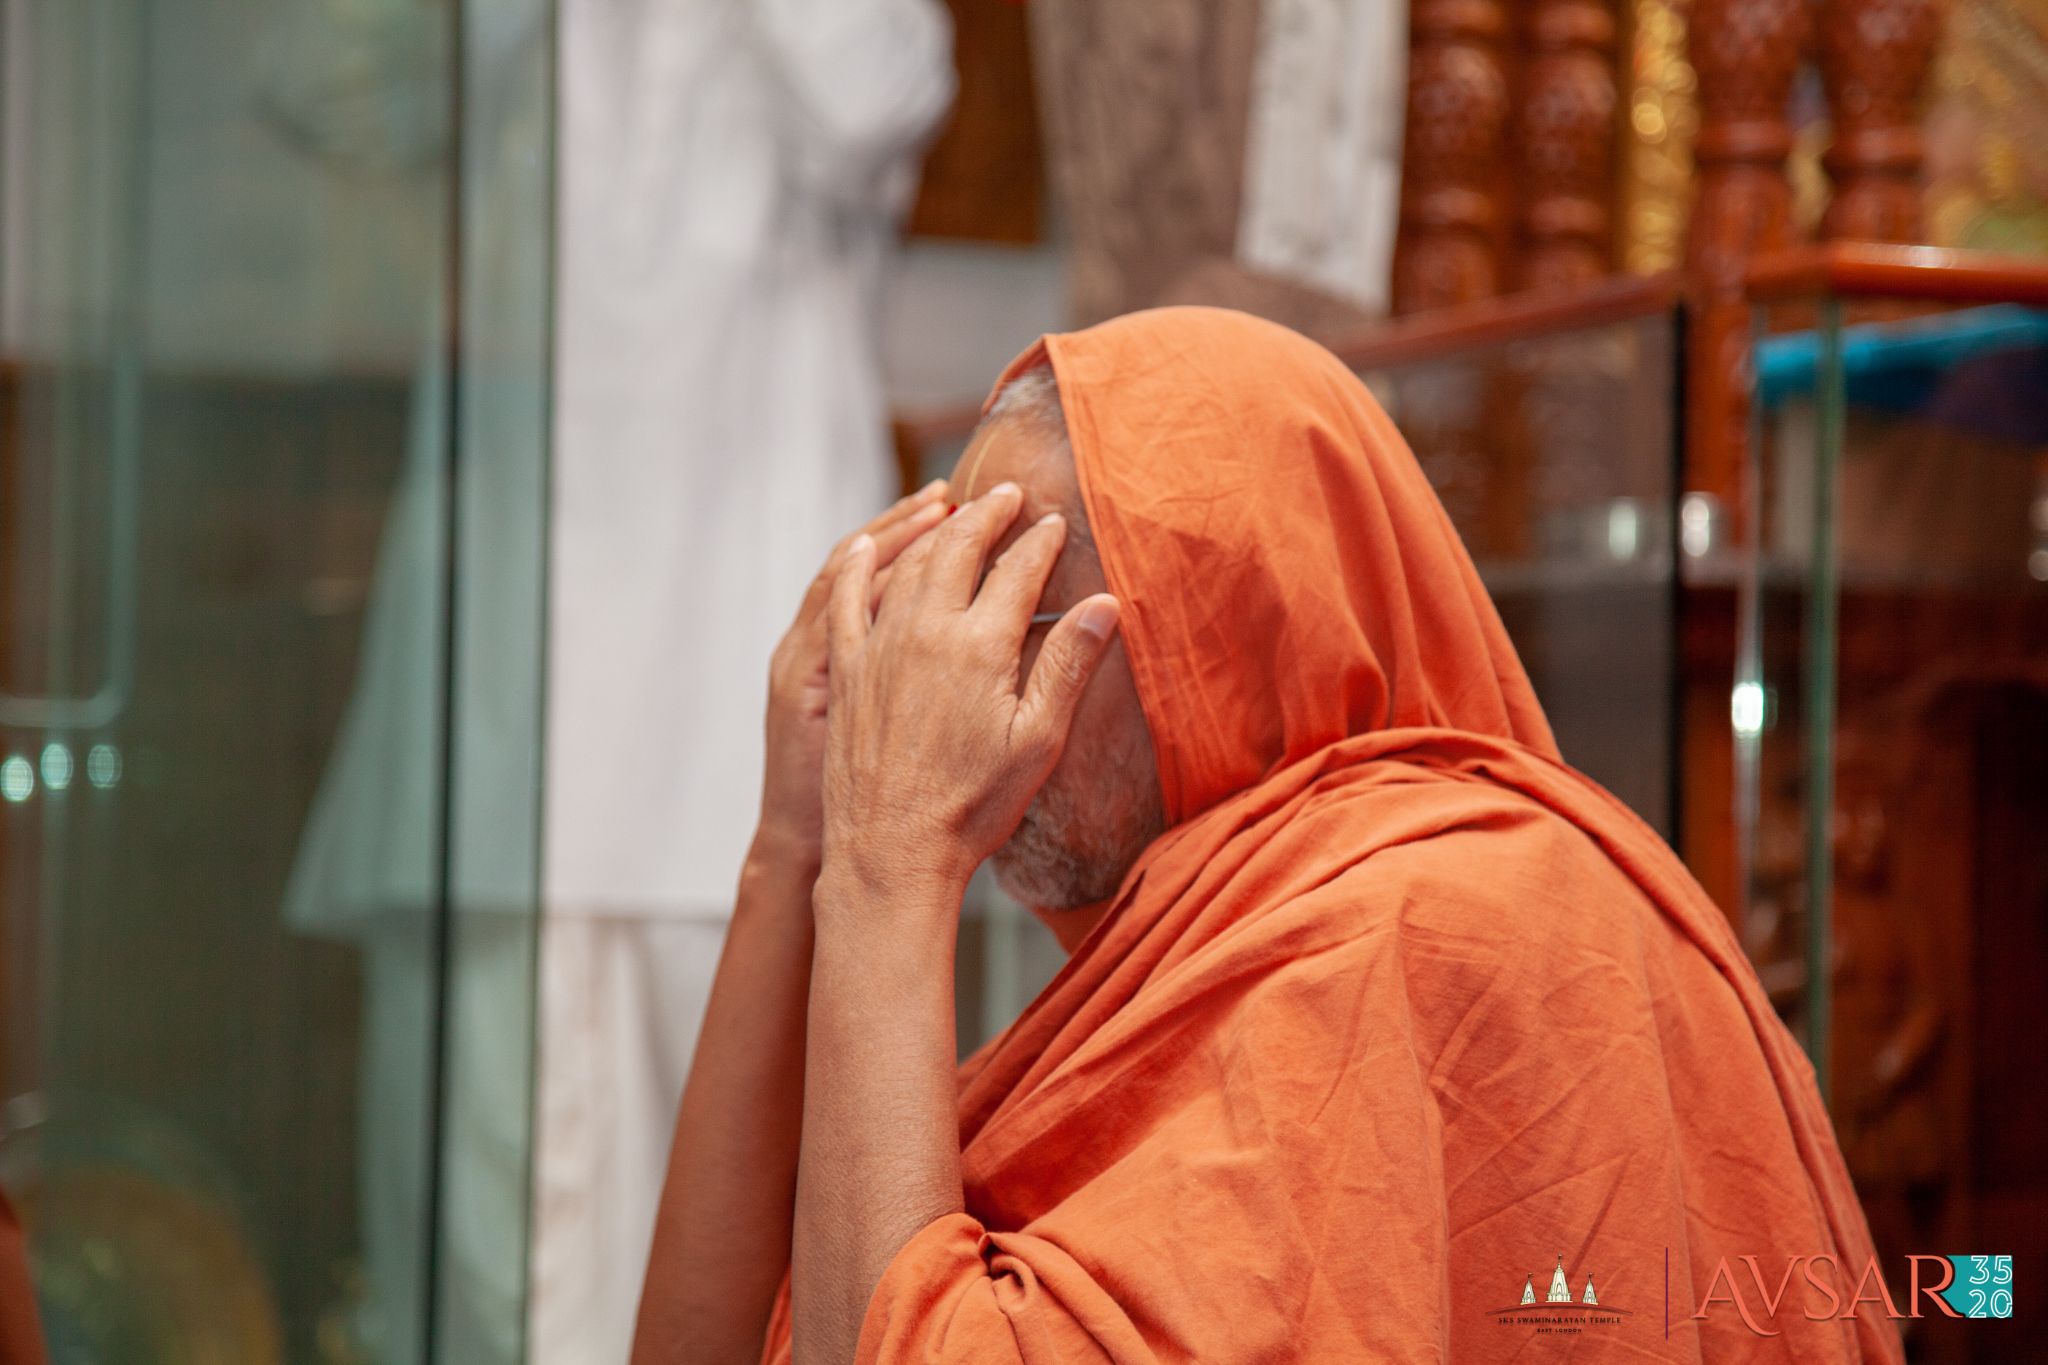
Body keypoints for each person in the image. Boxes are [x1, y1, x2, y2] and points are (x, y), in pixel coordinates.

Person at [633, 307, 1903, 1363]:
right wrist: (796, 843)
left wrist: (885, 863)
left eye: (1016, 602)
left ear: (1233, 635)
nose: (949, 674)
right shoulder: (1189, 951)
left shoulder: (1423, 921)